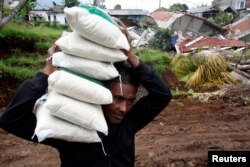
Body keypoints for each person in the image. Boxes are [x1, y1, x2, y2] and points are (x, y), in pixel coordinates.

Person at [0, 20, 172, 167]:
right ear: (99, 93)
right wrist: (45, 74)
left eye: (130, 101)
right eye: (118, 98)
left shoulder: (129, 122)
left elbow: (162, 94)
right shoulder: (68, 127)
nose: (124, 108)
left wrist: (129, 55)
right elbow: (11, 120)